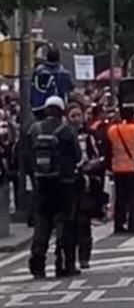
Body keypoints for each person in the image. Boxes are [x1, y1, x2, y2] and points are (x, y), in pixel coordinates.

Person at [27, 96, 82, 279]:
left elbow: (26, 157)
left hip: (41, 185)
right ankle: (63, 264)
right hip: (64, 185)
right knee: (64, 225)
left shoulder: (34, 130)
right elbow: (76, 155)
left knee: (41, 226)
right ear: (61, 112)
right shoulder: (67, 131)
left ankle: (38, 265)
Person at [66, 102, 104, 270]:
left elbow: (99, 157)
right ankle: (70, 258)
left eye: (78, 115)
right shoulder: (63, 134)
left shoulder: (90, 135)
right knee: (69, 223)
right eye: (72, 116)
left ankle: (84, 257)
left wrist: (90, 166)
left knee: (83, 222)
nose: (76, 119)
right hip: (68, 184)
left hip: (86, 184)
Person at [106, 105, 134, 236]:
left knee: (120, 198)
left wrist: (108, 165)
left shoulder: (112, 130)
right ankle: (132, 224)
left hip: (117, 167)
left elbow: (107, 149)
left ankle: (118, 224)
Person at [30, 48, 75, 119]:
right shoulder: (65, 73)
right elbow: (71, 87)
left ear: (47, 57)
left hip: (39, 107)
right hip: (59, 106)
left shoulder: (38, 72)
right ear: (58, 58)